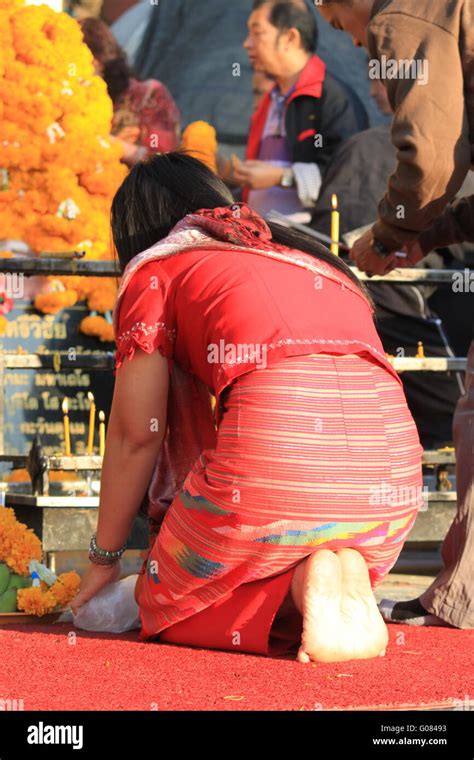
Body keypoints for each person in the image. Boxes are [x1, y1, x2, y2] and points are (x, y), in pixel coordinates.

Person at [71, 152, 423, 663]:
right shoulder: (306, 254)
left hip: (276, 469)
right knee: (265, 546)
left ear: (137, 231)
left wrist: (104, 560)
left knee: (164, 600)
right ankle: (323, 579)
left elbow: (136, 434)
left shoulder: (158, 269)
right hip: (388, 493)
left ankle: (302, 591)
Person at [317, 0, 473, 628]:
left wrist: (386, 234)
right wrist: (432, 236)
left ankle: (465, 597)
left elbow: (430, 159)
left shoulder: (401, 16)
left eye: (335, 24)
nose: (353, 43)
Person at [234, 0, 363, 217]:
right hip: (260, 236)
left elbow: (347, 180)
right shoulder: (270, 98)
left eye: (257, 33)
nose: (247, 44)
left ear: (290, 38)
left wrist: (282, 177)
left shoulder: (334, 99)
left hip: (307, 242)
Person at [80, 18, 181, 166]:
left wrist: (108, 144)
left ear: (98, 61)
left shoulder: (150, 94)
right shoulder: (72, 101)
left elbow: (166, 161)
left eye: (80, 59)